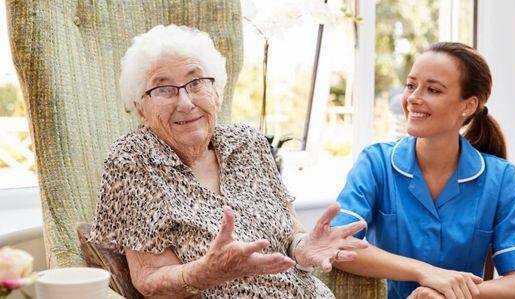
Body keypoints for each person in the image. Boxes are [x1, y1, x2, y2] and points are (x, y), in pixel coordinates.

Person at [89, 24, 368, 298]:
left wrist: (303, 248)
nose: (185, 102)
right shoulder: (133, 160)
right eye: (164, 89)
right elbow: (148, 278)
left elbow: (291, 234)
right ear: (140, 108)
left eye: (196, 83)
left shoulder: (248, 142)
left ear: (217, 92)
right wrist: (206, 272)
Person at [330, 42, 515, 299]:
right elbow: (336, 244)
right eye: (411, 85)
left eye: (433, 89)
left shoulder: (500, 178)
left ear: (468, 106)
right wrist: (424, 271)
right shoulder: (376, 163)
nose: (413, 98)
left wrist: (445, 294)